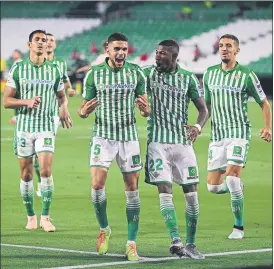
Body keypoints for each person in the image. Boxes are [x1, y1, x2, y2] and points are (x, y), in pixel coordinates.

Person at [77, 32, 150, 261]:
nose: (121, 53)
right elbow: (82, 108)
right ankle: (104, 229)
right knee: (97, 186)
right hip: (103, 136)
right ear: (107, 50)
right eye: (117, 49)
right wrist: (83, 111)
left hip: (128, 137)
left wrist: (146, 111)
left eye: (124, 49)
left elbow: (146, 107)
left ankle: (131, 243)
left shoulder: (136, 72)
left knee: (132, 190)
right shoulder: (94, 74)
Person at [143, 40, 208, 259]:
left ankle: (191, 243)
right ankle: (176, 240)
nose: (157, 57)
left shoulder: (188, 78)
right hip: (157, 144)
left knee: (191, 196)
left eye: (162, 54)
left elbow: (203, 109)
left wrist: (198, 127)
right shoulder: (148, 75)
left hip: (182, 144)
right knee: (165, 190)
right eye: (156, 52)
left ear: (174, 57)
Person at [3, 29, 73, 232]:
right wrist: (26, 101)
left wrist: (64, 108)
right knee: (26, 174)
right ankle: (31, 216)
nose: (42, 43)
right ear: (29, 45)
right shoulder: (18, 69)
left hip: (45, 128)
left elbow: (61, 96)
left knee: (45, 171)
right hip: (24, 128)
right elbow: (6, 101)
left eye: (44, 40)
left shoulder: (54, 69)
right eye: (37, 40)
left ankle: (46, 216)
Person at [203, 34, 272, 239]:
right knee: (213, 187)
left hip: (239, 133)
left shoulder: (246, 75)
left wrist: (267, 126)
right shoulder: (209, 74)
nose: (224, 49)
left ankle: (238, 228)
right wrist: (198, 126)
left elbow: (264, 102)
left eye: (229, 46)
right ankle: (237, 187)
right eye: (221, 45)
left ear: (237, 50)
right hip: (217, 135)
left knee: (232, 179)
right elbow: (206, 106)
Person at [35, 32, 75, 197]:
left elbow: (64, 81)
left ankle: (44, 180)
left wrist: (70, 89)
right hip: (33, 113)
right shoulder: (35, 63)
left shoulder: (59, 63)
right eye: (47, 40)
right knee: (32, 156)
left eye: (52, 40)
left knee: (41, 151)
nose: (49, 43)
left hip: (52, 114)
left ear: (55, 45)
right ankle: (42, 179)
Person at [9, 49, 23, 125]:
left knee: (18, 102)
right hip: (15, 85)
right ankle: (16, 117)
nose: (13, 55)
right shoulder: (15, 63)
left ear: (19, 54)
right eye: (13, 53)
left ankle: (17, 117)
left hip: (19, 86)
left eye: (15, 53)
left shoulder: (19, 62)